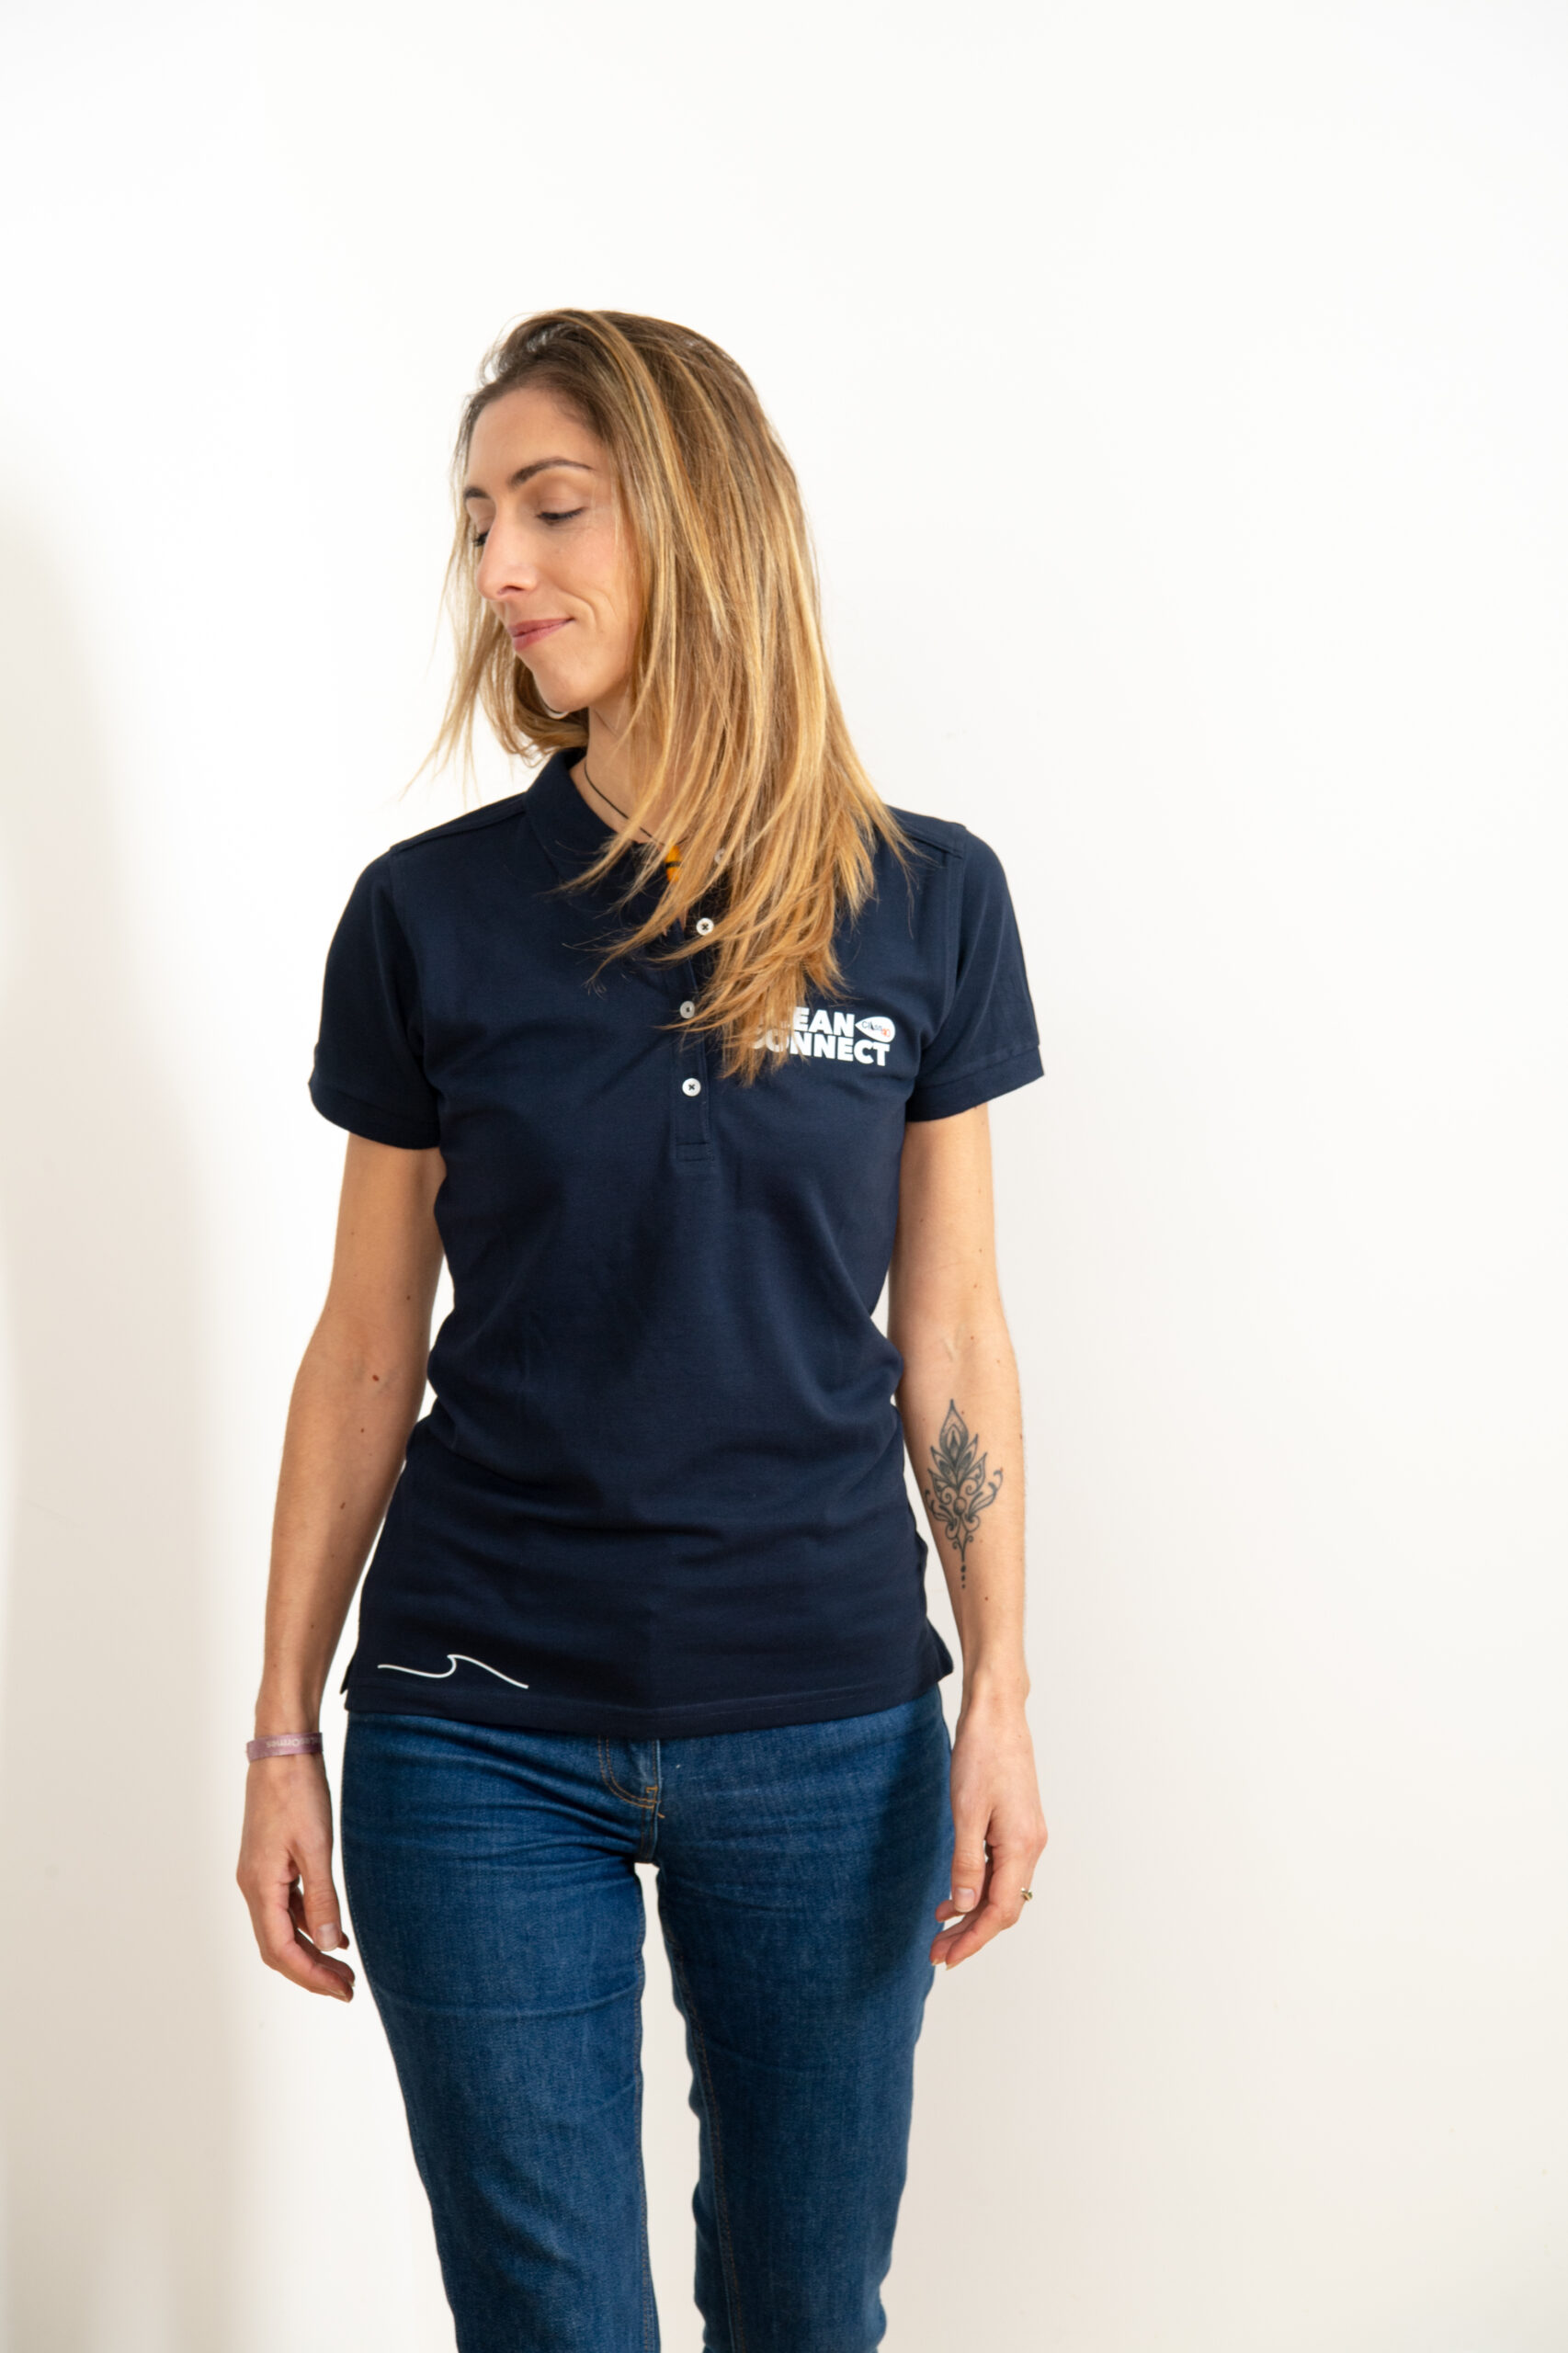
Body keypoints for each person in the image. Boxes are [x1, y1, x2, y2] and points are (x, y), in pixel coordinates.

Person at [235, 308, 1049, 2353]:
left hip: (830, 1720)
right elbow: (363, 1347)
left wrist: (1002, 1690)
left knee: (806, 2308)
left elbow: (953, 1331)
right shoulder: (428, 915)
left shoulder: (926, 902)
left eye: (552, 508)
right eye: (478, 523)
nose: (500, 568)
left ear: (700, 521)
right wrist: (279, 1728)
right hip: (473, 1730)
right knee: (550, 2326)